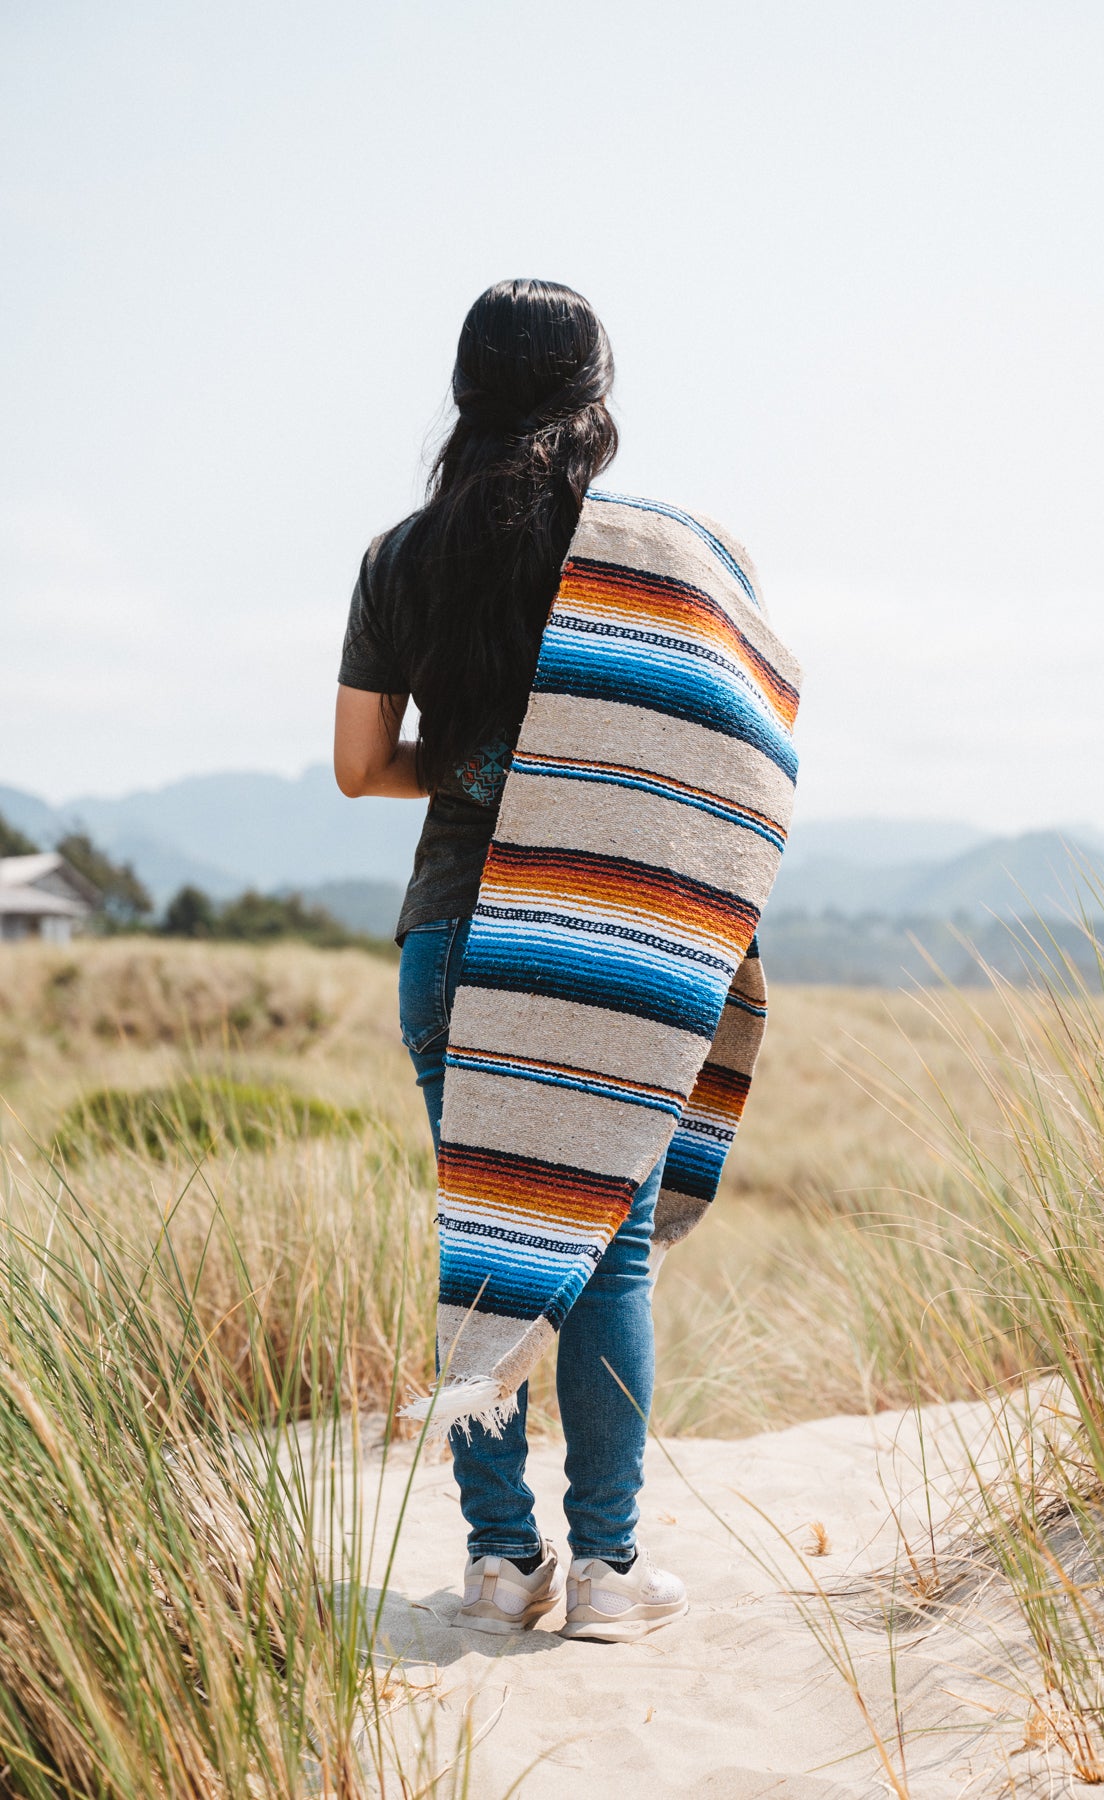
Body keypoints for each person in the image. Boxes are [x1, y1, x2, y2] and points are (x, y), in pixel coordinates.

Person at [333, 278, 688, 1641]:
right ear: (593, 393)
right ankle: (604, 1574)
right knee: (609, 1259)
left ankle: (497, 1566)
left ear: (467, 388)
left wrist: (480, 765)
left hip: (455, 935)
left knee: (486, 1245)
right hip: (607, 944)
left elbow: (362, 767)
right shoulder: (643, 561)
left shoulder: (399, 557)